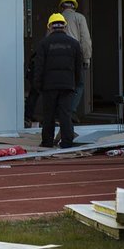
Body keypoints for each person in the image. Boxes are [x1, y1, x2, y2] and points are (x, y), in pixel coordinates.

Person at [34, 14, 82, 149]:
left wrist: (38, 85)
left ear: (50, 27)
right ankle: (67, 143)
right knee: (65, 115)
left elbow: (39, 67)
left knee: (48, 116)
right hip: (67, 85)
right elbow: (78, 68)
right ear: (65, 27)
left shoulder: (44, 44)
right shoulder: (74, 44)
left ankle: (47, 143)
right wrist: (75, 83)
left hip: (49, 86)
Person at [58, 0, 92, 122]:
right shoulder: (80, 18)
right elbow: (85, 40)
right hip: (74, 56)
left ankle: (60, 112)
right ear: (74, 6)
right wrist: (86, 58)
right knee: (79, 84)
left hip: (58, 58)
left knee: (60, 85)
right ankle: (70, 111)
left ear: (62, 6)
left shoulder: (57, 19)